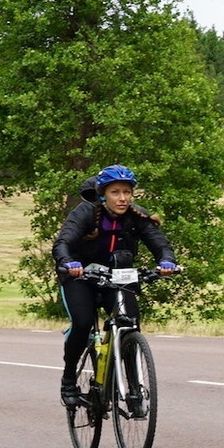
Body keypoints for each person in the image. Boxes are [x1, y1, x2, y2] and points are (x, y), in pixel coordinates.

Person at [52, 165, 179, 407]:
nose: (122, 198)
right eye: (115, 192)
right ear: (103, 195)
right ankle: (68, 380)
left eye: (127, 192)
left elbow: (161, 244)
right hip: (82, 277)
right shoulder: (85, 212)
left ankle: (134, 390)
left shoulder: (137, 216)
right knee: (82, 323)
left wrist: (167, 262)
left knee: (129, 324)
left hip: (118, 278)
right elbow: (63, 243)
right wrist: (68, 262)